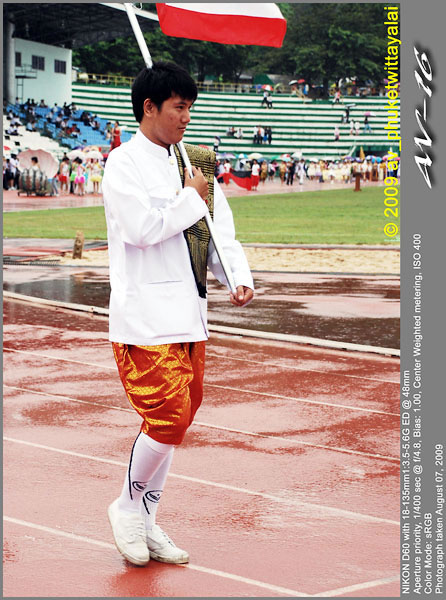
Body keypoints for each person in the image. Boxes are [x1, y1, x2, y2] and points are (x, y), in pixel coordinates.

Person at [101, 61, 254, 568]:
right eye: (178, 107)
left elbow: (218, 229)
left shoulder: (197, 161)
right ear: (150, 107)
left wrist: (236, 275)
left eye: (190, 108)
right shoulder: (123, 163)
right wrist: (190, 197)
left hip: (190, 313)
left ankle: (146, 518)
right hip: (145, 315)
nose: (186, 117)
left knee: (180, 418)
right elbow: (141, 229)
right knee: (165, 415)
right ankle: (127, 509)